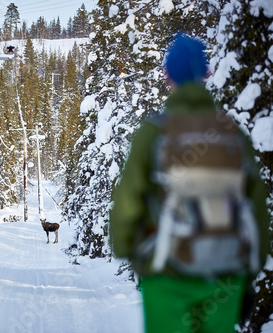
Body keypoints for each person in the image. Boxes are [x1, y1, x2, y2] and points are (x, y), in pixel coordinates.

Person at [110, 33, 270, 333]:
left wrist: (125, 249)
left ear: (167, 75)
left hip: (167, 274)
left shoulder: (155, 132)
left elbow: (128, 198)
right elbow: (257, 207)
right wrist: (250, 273)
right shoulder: (232, 134)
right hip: (226, 275)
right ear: (206, 74)